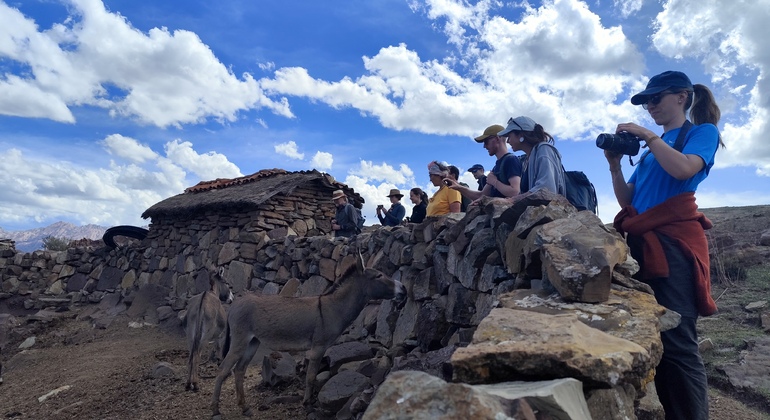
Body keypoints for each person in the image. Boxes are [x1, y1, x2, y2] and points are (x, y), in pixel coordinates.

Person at [605, 70, 723, 420]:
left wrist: (647, 136)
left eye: (655, 98)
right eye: (646, 101)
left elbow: (685, 170)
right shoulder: (649, 152)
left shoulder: (701, 133)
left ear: (682, 97)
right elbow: (631, 199)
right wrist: (614, 167)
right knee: (660, 337)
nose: (650, 106)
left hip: (674, 245)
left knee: (680, 340)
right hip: (644, 243)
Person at [445, 125, 522, 205]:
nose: (484, 146)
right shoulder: (497, 166)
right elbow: (481, 195)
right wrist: (458, 187)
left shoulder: (511, 160)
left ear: (497, 138)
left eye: (486, 141)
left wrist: (495, 182)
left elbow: (515, 191)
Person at [498, 116, 566, 203]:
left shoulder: (544, 150)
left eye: (509, 136)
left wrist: (512, 200)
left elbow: (546, 189)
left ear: (521, 135)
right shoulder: (527, 159)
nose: (507, 141)